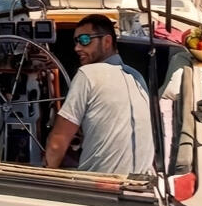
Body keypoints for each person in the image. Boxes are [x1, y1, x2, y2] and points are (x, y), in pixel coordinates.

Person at [44, 14, 155, 175]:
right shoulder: (137, 77)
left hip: (99, 187)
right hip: (142, 183)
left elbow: (56, 144)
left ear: (107, 41)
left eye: (84, 40)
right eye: (76, 41)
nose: (77, 48)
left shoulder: (87, 74)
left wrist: (47, 177)